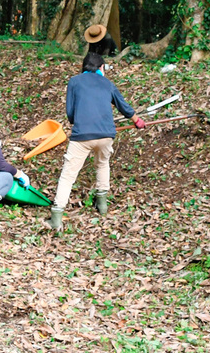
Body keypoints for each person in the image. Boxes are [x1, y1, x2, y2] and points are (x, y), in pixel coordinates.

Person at [48, 52, 145, 230]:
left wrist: (77, 122)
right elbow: (123, 105)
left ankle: (56, 217)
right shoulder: (108, 83)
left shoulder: (74, 81)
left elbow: (70, 112)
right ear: (101, 68)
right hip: (106, 135)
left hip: (82, 136)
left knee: (68, 175)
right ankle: (102, 206)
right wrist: (137, 121)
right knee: (102, 165)